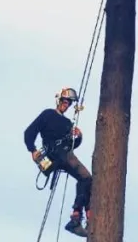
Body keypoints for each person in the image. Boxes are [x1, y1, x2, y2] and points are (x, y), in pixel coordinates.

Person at [24, 87, 92, 237]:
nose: (66, 105)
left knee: (86, 179)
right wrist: (33, 150)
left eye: (68, 103)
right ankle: (77, 217)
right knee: (86, 178)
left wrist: (78, 136)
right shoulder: (47, 115)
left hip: (65, 154)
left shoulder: (68, 123)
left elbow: (72, 145)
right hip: (55, 155)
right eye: (64, 101)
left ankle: (80, 215)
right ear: (59, 100)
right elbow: (29, 132)